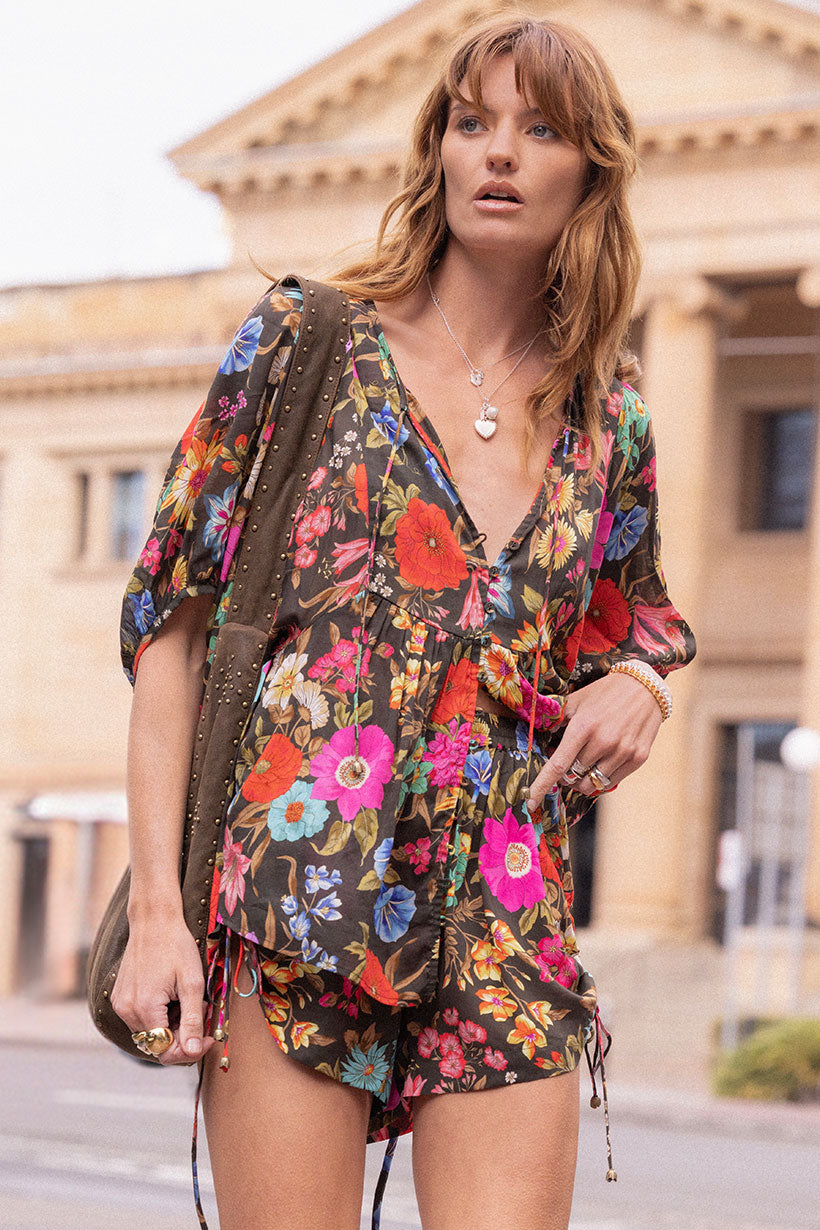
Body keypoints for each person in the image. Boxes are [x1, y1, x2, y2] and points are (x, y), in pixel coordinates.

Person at [112, 15, 696, 1230]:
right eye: (472, 123)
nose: (500, 153)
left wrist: (641, 686)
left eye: (540, 130)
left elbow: (635, 621)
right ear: (437, 150)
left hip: (506, 900)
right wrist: (159, 915)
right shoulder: (306, 342)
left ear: (591, 169)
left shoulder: (611, 415)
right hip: (297, 882)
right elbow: (172, 627)